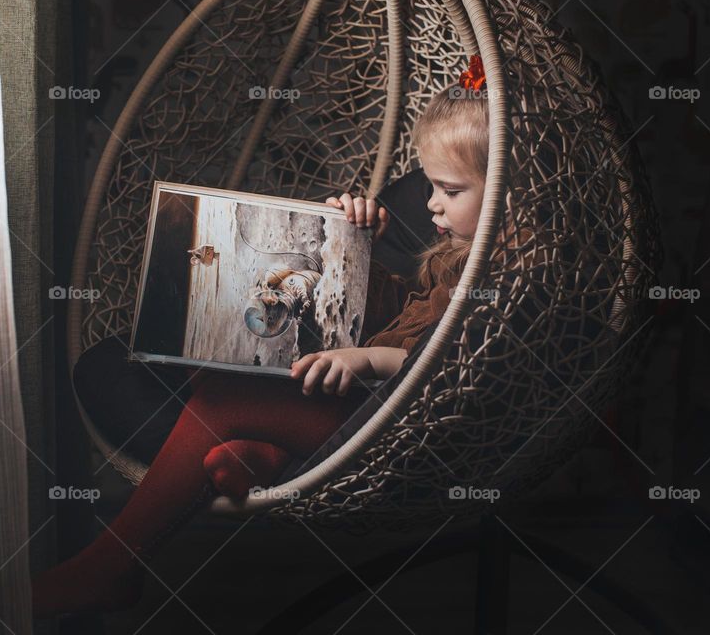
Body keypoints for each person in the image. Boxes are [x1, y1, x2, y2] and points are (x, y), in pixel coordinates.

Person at [32, 56, 491, 619]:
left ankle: (109, 567)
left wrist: (368, 358)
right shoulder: (454, 255)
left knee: (226, 393)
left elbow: (453, 362)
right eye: (429, 186)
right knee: (209, 356)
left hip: (405, 435)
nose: (431, 204)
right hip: (358, 406)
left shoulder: (510, 277)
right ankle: (262, 455)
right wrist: (356, 243)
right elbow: (400, 315)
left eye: (449, 189)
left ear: (508, 192)